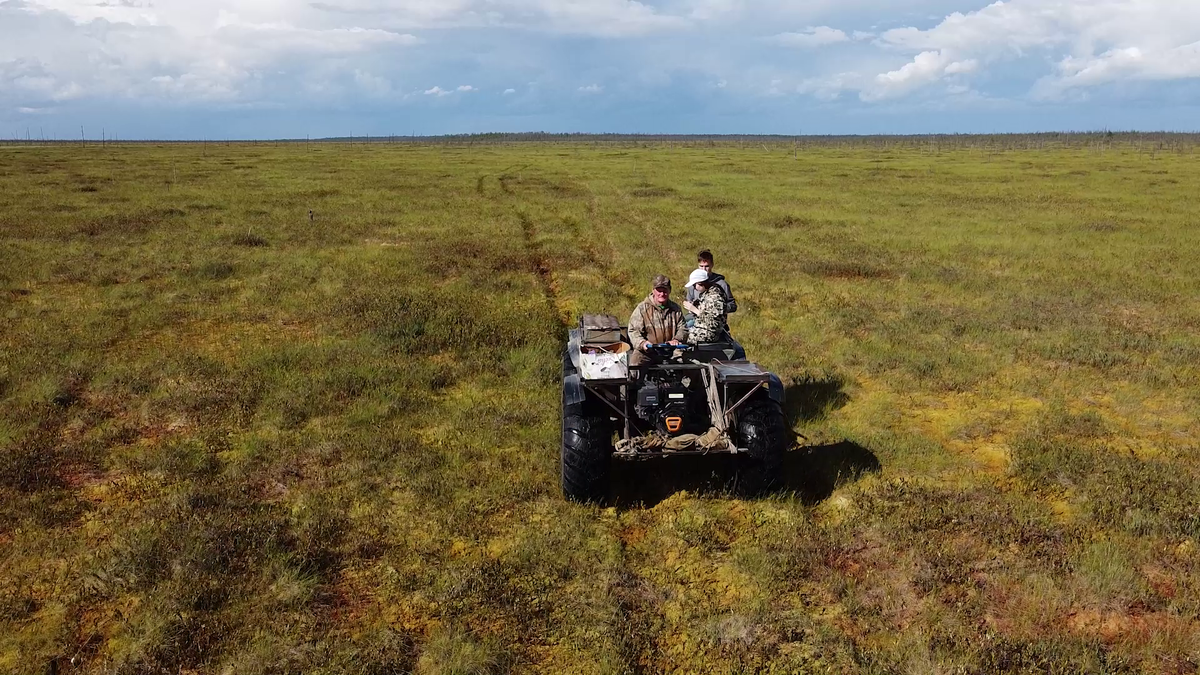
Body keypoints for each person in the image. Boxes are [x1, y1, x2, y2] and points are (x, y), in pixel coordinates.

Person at [628, 274, 688, 367]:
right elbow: (633, 330)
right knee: (634, 365)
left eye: (665, 291)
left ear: (670, 291)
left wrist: (677, 339)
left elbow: (683, 328)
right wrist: (642, 343)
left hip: (671, 352)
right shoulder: (642, 308)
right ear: (653, 290)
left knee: (688, 365)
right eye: (659, 290)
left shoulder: (676, 309)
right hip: (648, 352)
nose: (662, 294)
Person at [686, 249, 737, 317]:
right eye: (701, 266)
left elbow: (733, 306)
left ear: (712, 265)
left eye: (707, 266)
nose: (704, 269)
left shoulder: (722, 284)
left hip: (715, 322)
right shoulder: (693, 283)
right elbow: (689, 301)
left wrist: (716, 308)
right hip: (694, 320)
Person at [684, 269, 728, 344]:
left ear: (701, 283)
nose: (694, 288)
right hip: (701, 328)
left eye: (695, 285)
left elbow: (713, 323)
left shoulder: (715, 297)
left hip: (709, 333)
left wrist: (695, 310)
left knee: (682, 337)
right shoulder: (707, 294)